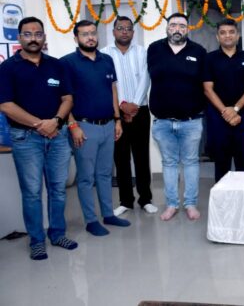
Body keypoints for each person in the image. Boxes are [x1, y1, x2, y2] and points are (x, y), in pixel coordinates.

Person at [0, 17, 78, 260]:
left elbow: (68, 98)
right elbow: (6, 105)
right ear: (19, 37)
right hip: (26, 139)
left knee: (58, 189)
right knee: (32, 192)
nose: (33, 38)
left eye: (37, 34)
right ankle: (36, 241)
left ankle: (57, 234)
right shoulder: (8, 68)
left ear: (44, 37)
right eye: (27, 34)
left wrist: (55, 121)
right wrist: (40, 125)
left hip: (58, 136)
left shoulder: (57, 65)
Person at [61, 20, 130, 236]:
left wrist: (117, 120)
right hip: (83, 127)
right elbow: (63, 98)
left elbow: (113, 90)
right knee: (86, 177)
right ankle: (91, 220)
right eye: (84, 34)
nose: (90, 37)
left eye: (93, 33)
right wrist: (72, 125)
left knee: (105, 174)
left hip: (108, 125)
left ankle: (108, 214)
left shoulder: (106, 60)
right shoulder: (67, 63)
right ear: (76, 38)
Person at [147, 13, 206, 221]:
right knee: (169, 163)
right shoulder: (154, 49)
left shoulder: (198, 51)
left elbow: (205, 84)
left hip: (191, 121)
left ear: (187, 29)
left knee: (190, 162)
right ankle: (172, 204)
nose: (177, 29)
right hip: (162, 122)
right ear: (167, 28)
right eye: (173, 25)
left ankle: (190, 204)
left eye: (182, 25)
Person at [101, 16, 157, 216]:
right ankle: (125, 201)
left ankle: (145, 199)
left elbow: (145, 79)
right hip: (116, 113)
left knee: (142, 156)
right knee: (121, 157)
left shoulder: (142, 52)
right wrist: (122, 107)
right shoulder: (104, 54)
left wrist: (133, 105)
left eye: (128, 28)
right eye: (120, 28)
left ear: (133, 32)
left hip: (140, 111)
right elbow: (107, 84)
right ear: (113, 32)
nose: (124, 31)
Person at [204, 20, 244, 182]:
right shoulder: (209, 59)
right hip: (217, 117)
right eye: (223, 32)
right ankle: (222, 198)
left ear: (238, 35)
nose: (227, 35)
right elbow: (207, 89)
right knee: (221, 164)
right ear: (217, 37)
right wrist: (226, 111)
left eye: (231, 32)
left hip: (243, 116)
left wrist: (235, 109)